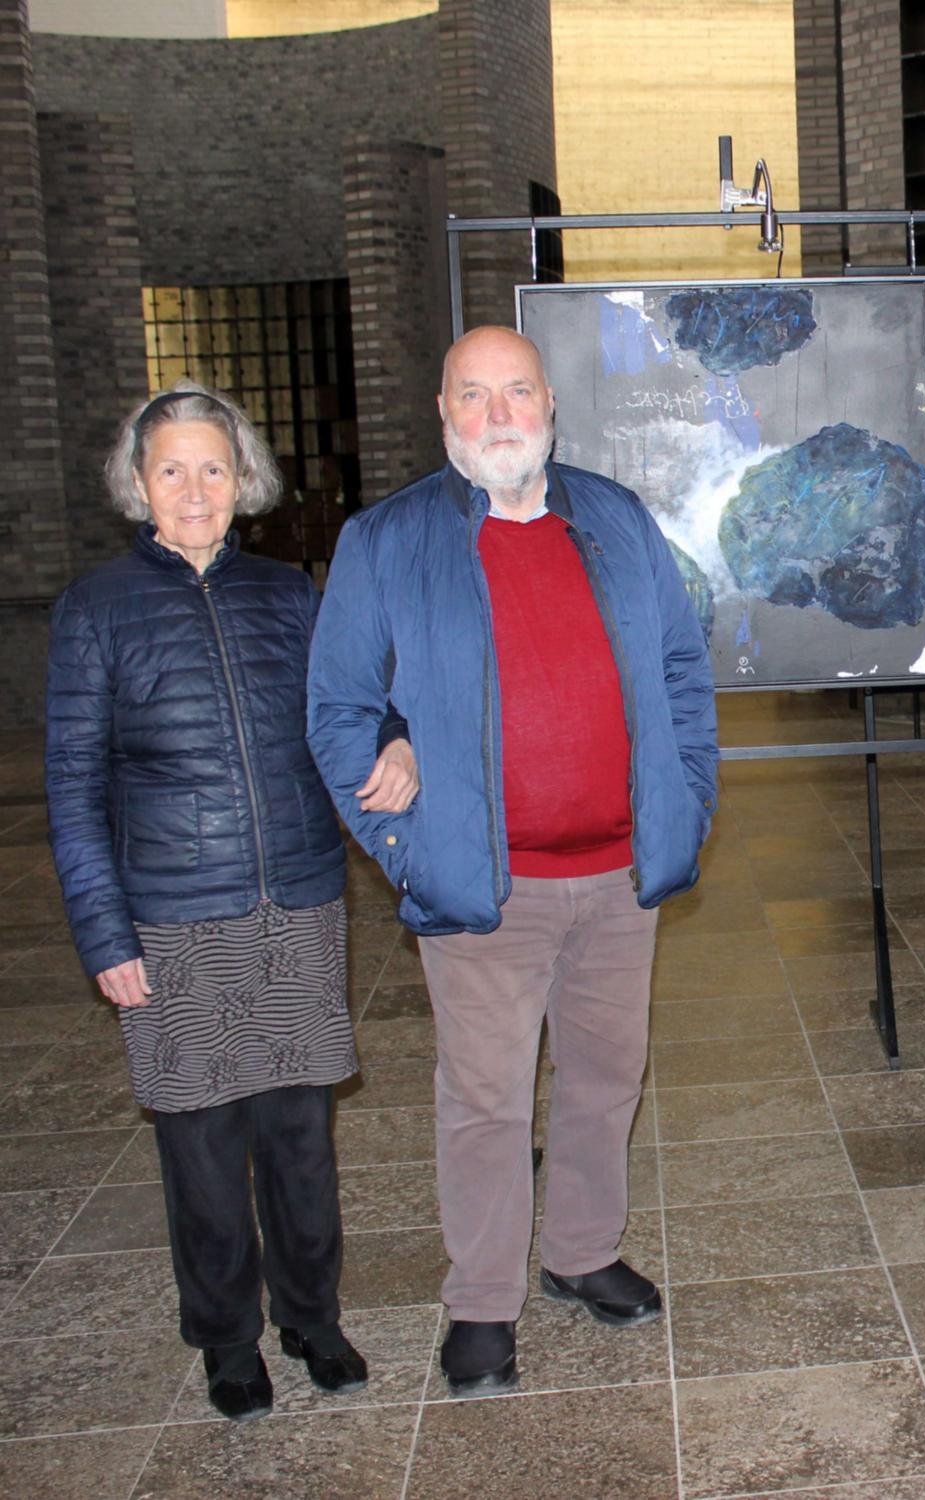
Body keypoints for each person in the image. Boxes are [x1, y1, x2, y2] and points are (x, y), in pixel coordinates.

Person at [307, 327, 719, 1391]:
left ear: (550, 406)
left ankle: (580, 1253)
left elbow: (680, 671)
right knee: (485, 1101)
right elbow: (338, 710)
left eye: (517, 393)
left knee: (603, 1078)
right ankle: (481, 1303)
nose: (498, 416)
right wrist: (409, 847)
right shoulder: (385, 540)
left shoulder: (615, 518)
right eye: (474, 396)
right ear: (443, 413)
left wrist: (688, 799)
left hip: (621, 878)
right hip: (487, 887)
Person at [46, 383, 417, 1421]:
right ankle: (225, 1336)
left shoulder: (288, 596)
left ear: (242, 479)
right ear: (138, 484)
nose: (196, 489)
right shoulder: (93, 610)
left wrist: (393, 733)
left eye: (214, 467)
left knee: (299, 1134)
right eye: (172, 469)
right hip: (172, 915)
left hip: (293, 903)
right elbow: (73, 791)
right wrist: (102, 933)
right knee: (202, 1143)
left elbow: (352, 699)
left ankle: (311, 1315)